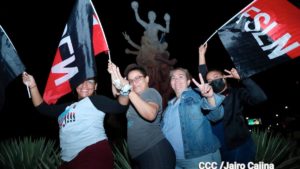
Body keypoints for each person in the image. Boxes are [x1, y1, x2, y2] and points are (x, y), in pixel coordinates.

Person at [22, 72, 128, 169]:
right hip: (68, 160)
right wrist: (33, 85)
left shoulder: (96, 100)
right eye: (80, 82)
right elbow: (42, 108)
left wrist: (124, 88)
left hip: (93, 153)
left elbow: (120, 106)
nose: (84, 85)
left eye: (90, 82)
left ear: (95, 86)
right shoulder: (66, 107)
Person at [198, 43, 267, 164]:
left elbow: (260, 98)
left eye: (216, 77)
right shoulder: (209, 97)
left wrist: (243, 78)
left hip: (238, 146)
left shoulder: (237, 93)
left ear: (224, 77)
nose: (213, 80)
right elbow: (203, 76)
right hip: (215, 150)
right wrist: (201, 54)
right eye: (209, 81)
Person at [107, 62, 175, 169]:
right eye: (130, 81)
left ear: (147, 79)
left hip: (154, 151)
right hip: (138, 156)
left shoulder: (150, 93)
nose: (134, 83)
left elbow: (150, 114)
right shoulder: (132, 98)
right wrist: (113, 76)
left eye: (138, 78)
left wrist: (127, 88)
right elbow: (117, 95)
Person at [161, 67, 225, 169]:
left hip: (199, 157)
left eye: (180, 77)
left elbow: (216, 116)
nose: (176, 80)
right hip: (174, 159)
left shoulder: (197, 95)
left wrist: (209, 97)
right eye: (173, 78)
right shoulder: (169, 105)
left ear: (188, 81)